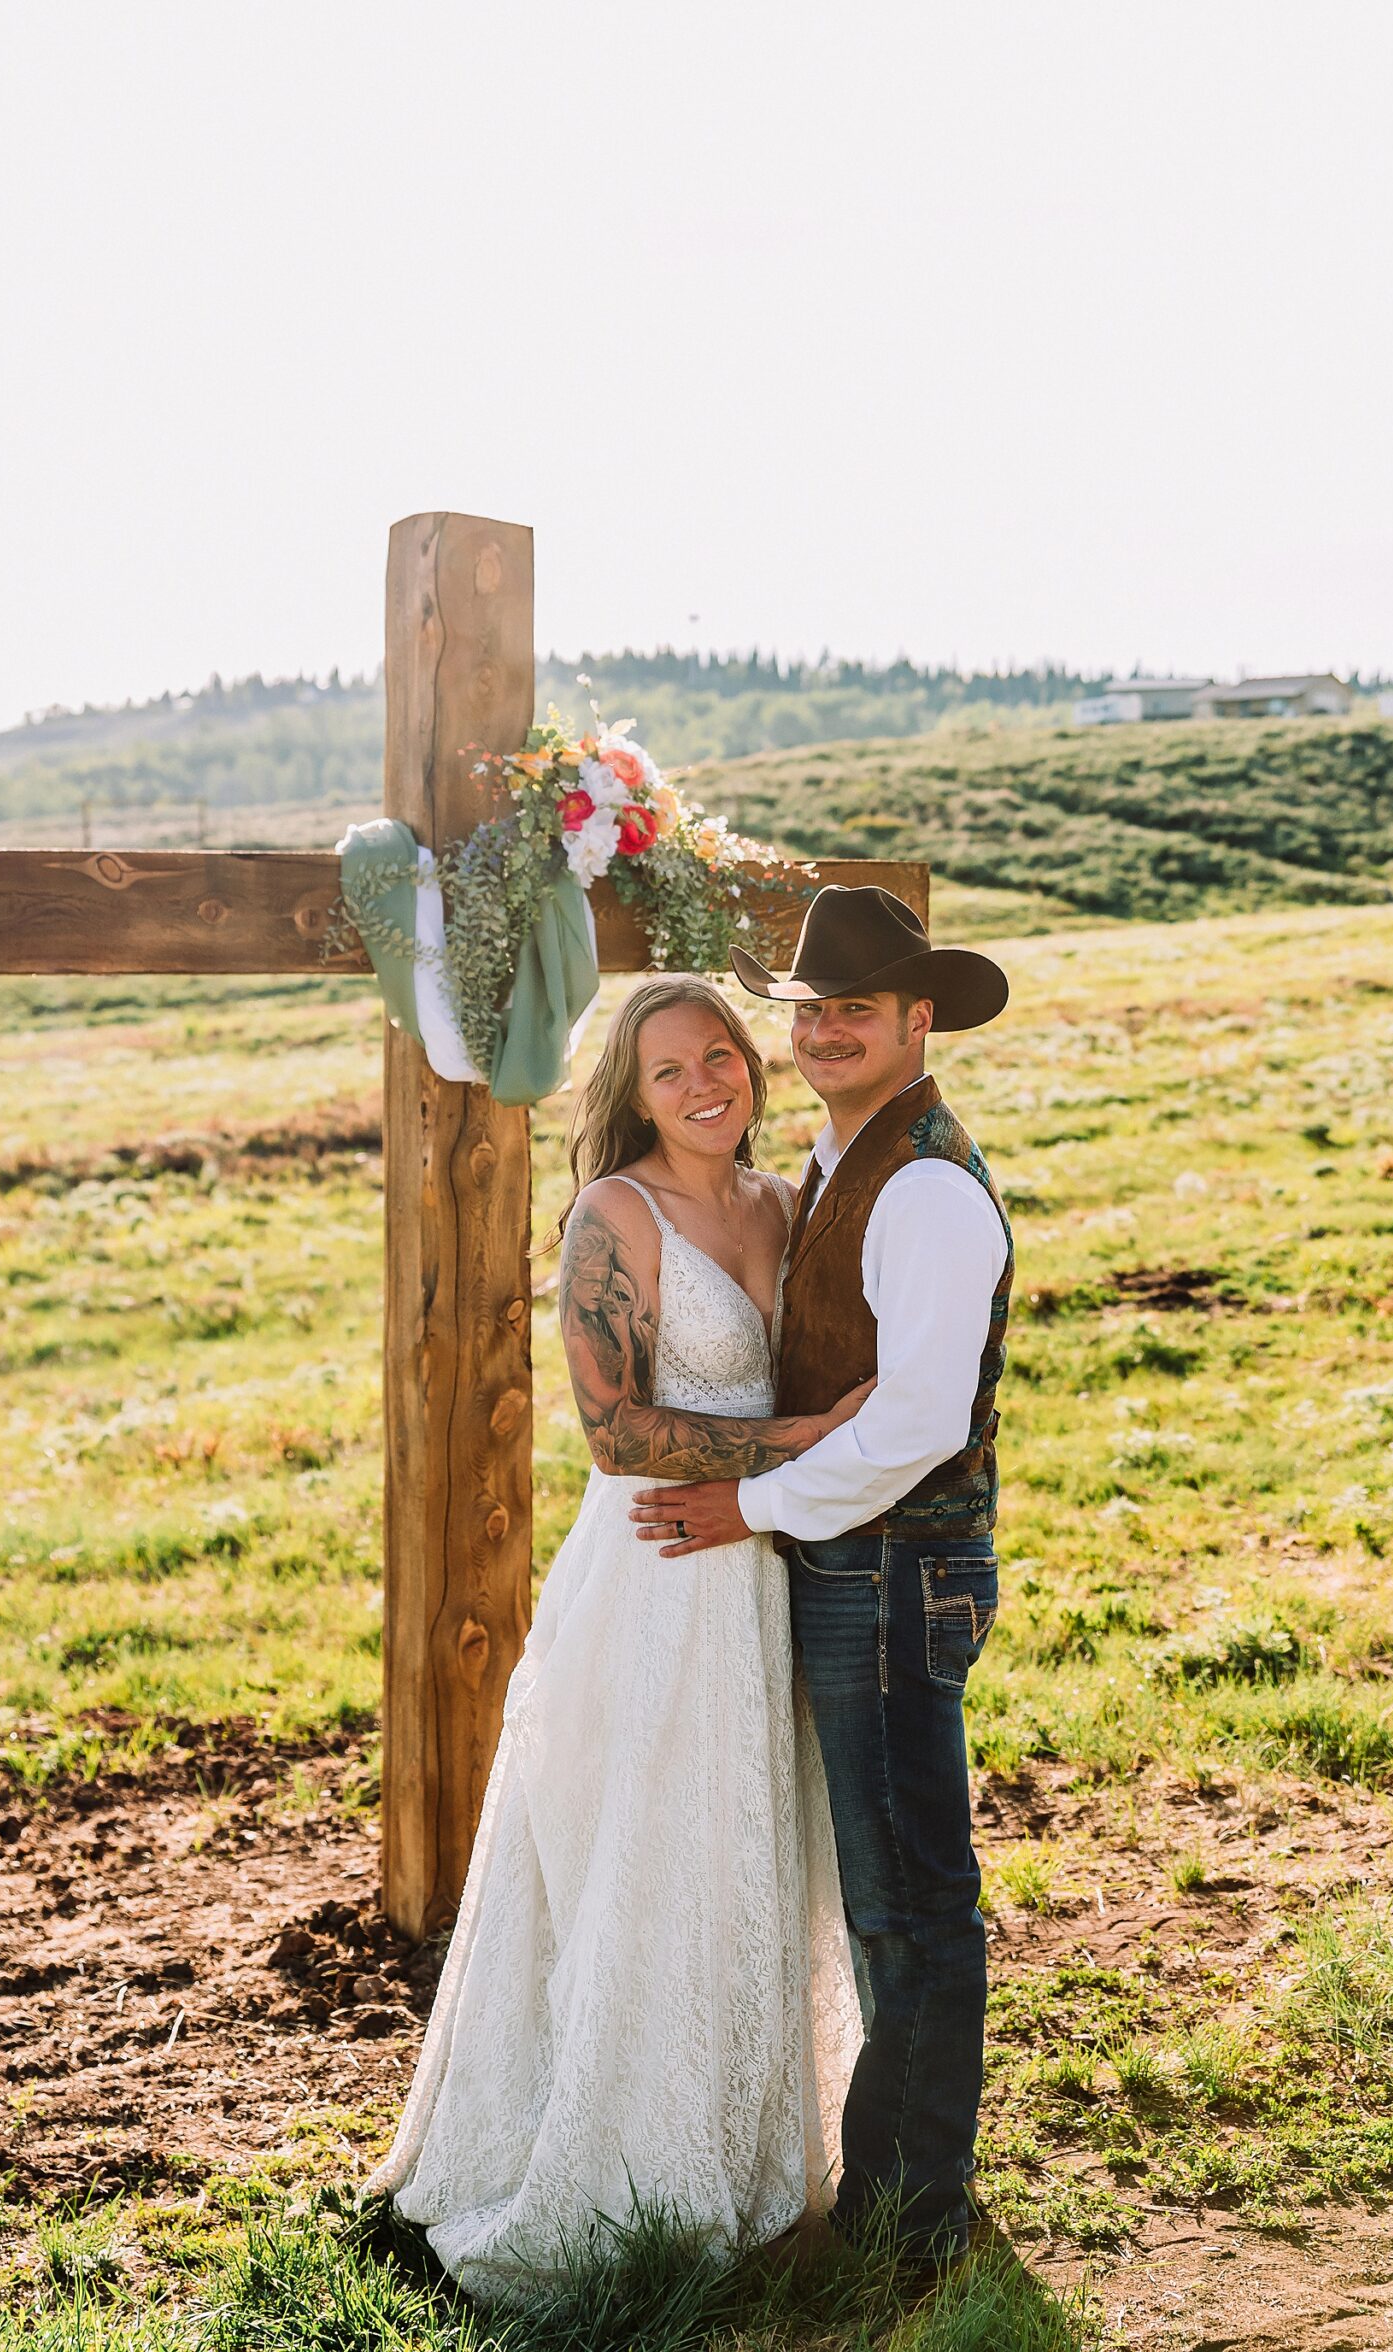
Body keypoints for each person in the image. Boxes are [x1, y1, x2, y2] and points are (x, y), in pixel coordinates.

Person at [363, 974, 865, 2300]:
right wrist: (809, 1441)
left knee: (750, 1850)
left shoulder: (786, 1204)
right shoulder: (614, 1216)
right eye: (668, 1071)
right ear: (632, 1098)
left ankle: (746, 2156)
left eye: (720, 1055)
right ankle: (615, 2170)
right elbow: (618, 1432)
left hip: (765, 1572)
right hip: (654, 1576)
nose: (705, 1085)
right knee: (647, 1855)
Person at [631, 888, 1013, 2266]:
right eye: (812, 1009)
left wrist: (750, 1505)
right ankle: (899, 2190)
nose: (829, 1030)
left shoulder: (923, 1187)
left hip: (897, 1573)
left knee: (909, 1900)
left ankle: (912, 2219)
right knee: (882, 1889)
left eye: (859, 1007)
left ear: (919, 1020)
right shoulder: (842, 1157)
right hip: (855, 1568)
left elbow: (915, 1423)